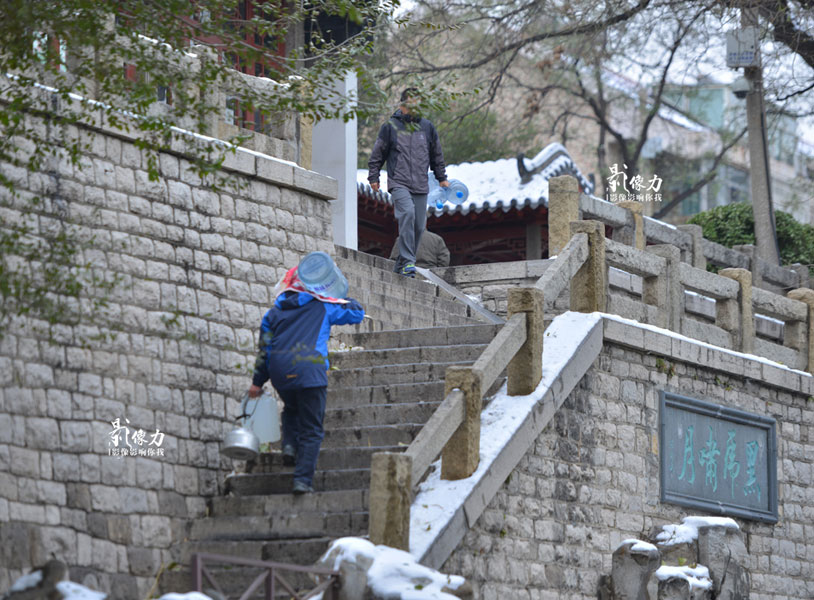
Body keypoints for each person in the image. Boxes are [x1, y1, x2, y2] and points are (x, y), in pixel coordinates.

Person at [248, 267, 365, 494]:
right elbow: (356, 313)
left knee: (291, 408)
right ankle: (302, 480)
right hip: (310, 371)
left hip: (280, 373)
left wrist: (257, 382)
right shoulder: (322, 306)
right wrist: (341, 295)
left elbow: (265, 350)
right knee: (312, 429)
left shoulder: (272, 314)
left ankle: (290, 447)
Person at [368, 87, 449, 278]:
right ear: (403, 105)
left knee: (420, 225)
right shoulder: (390, 127)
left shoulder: (427, 127)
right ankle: (407, 261)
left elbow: (436, 154)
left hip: (421, 184)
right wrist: (374, 176)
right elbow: (377, 153)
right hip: (399, 182)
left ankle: (400, 265)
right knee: (407, 213)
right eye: (412, 103)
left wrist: (442, 178)